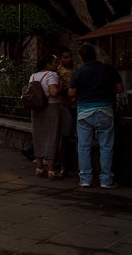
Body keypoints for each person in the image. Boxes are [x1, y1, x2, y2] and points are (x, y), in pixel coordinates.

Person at [69, 44, 124, 189]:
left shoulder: (78, 72)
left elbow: (71, 93)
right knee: (106, 146)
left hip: (84, 113)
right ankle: (106, 179)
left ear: (81, 57)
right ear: (95, 55)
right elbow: (119, 89)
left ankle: (85, 179)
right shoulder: (108, 69)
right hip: (105, 111)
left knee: (83, 147)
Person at [28, 55, 62, 180]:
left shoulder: (33, 76)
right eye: (55, 62)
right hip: (51, 107)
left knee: (38, 135)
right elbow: (53, 92)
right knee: (52, 136)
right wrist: (61, 86)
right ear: (48, 65)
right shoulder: (51, 75)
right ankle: (51, 170)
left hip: (36, 108)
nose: (56, 65)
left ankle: (39, 167)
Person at [57, 46, 78, 177]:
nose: (69, 59)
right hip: (65, 105)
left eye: (70, 56)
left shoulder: (77, 70)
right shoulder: (58, 72)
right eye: (65, 57)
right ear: (60, 59)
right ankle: (64, 166)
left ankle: (77, 166)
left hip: (77, 105)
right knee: (64, 138)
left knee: (78, 138)